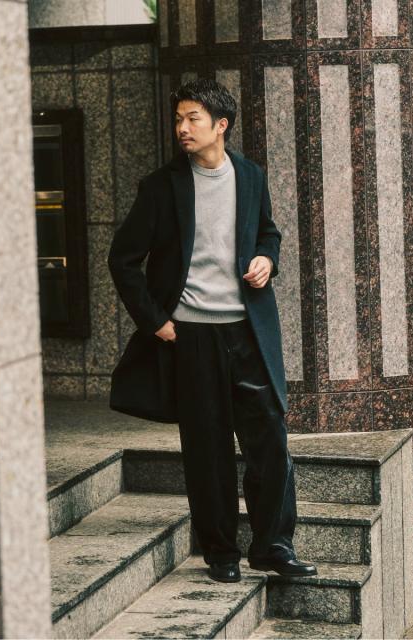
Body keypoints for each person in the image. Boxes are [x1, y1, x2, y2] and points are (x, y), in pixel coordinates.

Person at [108, 78, 316, 583]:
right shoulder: (160, 187)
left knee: (270, 441)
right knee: (208, 450)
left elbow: (267, 231)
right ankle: (221, 553)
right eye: (178, 119)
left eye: (192, 119)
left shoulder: (250, 176)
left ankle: (273, 546)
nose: (181, 128)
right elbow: (123, 259)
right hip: (191, 337)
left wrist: (267, 257)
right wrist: (157, 322)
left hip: (248, 332)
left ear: (220, 125)